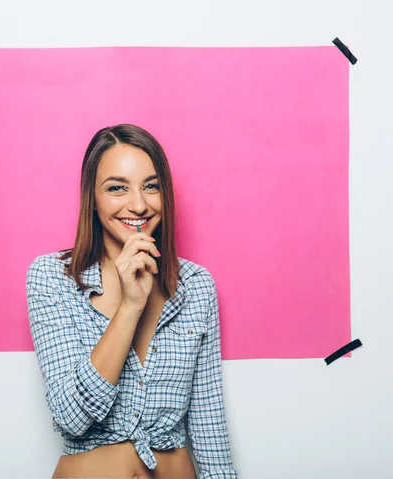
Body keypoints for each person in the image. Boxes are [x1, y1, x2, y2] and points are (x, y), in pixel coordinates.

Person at [26, 124, 238, 479]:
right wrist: (129, 306)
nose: (138, 205)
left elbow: (208, 424)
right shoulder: (52, 277)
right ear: (91, 198)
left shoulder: (197, 286)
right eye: (117, 188)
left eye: (151, 186)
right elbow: (71, 417)